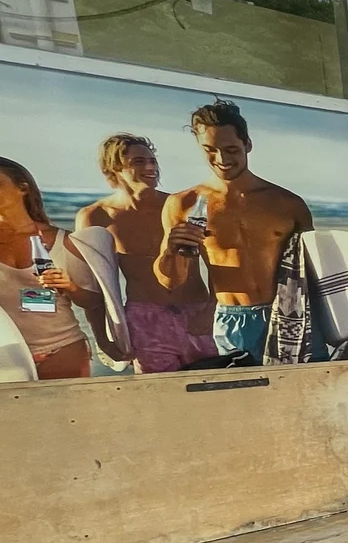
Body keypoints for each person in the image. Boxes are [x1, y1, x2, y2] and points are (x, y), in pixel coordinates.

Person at [156, 100, 311, 363]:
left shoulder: (287, 204)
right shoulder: (183, 204)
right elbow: (170, 281)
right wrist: (171, 252)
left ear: (247, 144)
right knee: (245, 400)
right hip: (232, 319)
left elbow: (314, 272)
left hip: (289, 314)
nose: (222, 159)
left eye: (231, 149)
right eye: (210, 150)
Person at [76, 132, 217, 373]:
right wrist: (102, 338)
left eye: (152, 161)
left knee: (215, 394)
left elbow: (218, 260)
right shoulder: (96, 216)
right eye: (138, 162)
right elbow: (95, 285)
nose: (150, 167)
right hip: (145, 319)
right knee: (160, 400)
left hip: (196, 311)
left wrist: (211, 309)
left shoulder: (180, 205)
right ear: (114, 168)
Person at [0, 156, 103, 380]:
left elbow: (94, 301)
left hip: (62, 350)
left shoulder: (61, 241)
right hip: (7, 356)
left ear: (22, 188)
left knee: (67, 416)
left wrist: (70, 286)